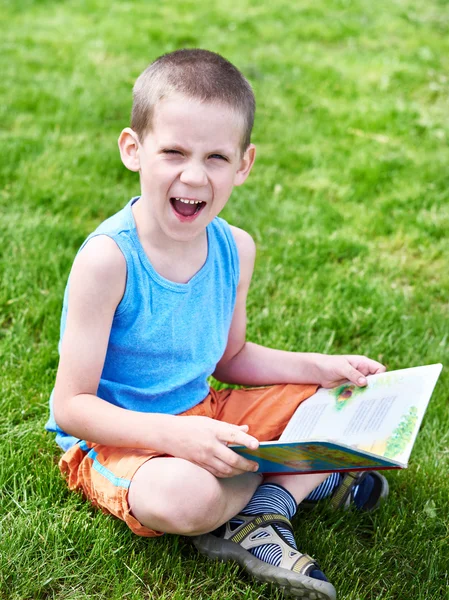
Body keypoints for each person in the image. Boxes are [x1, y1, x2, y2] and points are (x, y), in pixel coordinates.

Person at [46, 49, 388, 600]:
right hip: (122, 439)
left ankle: (264, 509)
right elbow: (72, 408)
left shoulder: (235, 248)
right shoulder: (108, 260)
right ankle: (282, 496)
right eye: (174, 152)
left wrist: (319, 368)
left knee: (341, 405)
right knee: (186, 498)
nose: (193, 175)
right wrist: (177, 437)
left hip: (208, 415)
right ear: (133, 150)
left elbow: (232, 359)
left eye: (215, 158)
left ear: (244, 164)